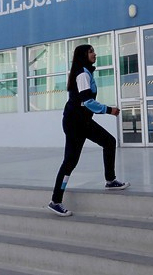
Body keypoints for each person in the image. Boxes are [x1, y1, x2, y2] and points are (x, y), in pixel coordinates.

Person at [48, 44, 130, 217]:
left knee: (109, 142)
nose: (94, 53)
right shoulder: (82, 75)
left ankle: (110, 180)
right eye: (91, 51)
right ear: (83, 55)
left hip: (82, 121)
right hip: (75, 123)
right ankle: (55, 201)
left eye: (94, 50)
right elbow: (87, 102)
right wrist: (109, 110)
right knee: (70, 161)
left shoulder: (85, 72)